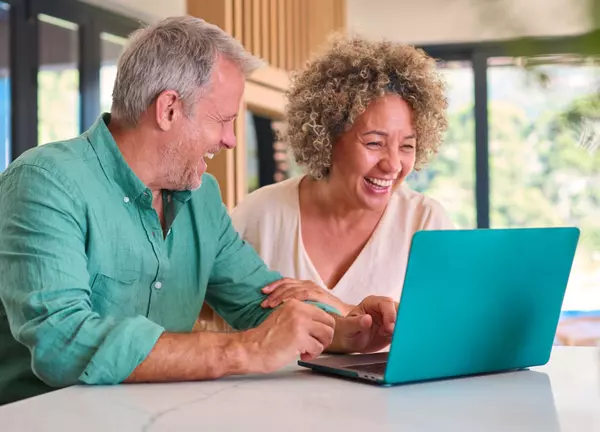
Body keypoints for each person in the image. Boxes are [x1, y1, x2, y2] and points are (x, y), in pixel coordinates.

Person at [0, 18, 398, 406]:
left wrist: (346, 333)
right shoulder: (45, 182)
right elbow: (61, 341)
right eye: (223, 120)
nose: (230, 140)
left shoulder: (201, 196)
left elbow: (258, 302)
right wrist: (240, 351)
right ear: (169, 109)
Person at [232, 35, 454, 316]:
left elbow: (445, 331)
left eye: (407, 146)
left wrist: (337, 306)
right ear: (327, 137)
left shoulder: (426, 222)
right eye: (374, 143)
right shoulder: (259, 215)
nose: (393, 164)